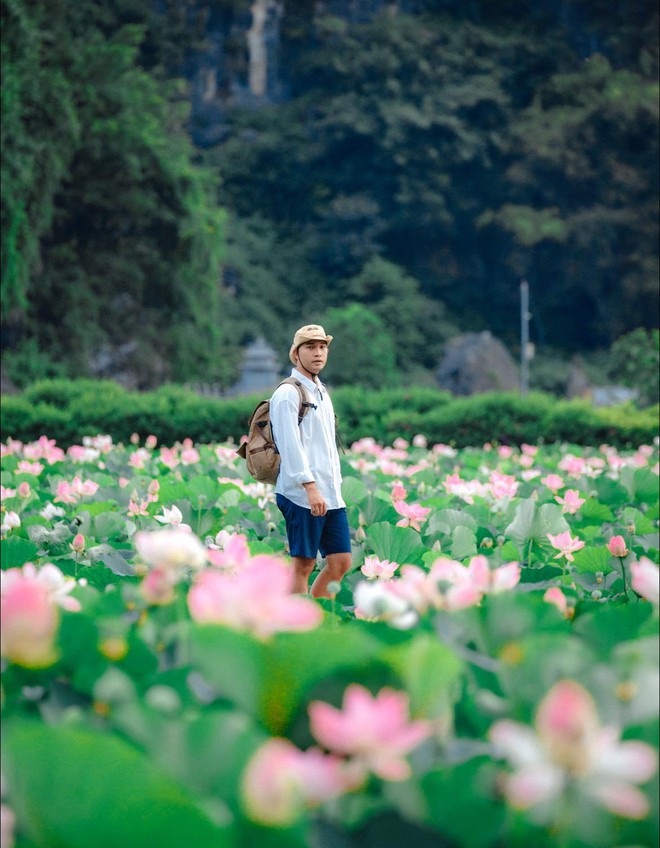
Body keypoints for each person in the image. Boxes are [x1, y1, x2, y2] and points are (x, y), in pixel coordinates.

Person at [270, 324, 352, 598]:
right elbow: (289, 446)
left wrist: (330, 489)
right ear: (296, 354)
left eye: (322, 347)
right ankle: (296, 628)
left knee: (341, 562)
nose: (318, 353)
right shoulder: (287, 394)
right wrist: (310, 486)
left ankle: (315, 617)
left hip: (330, 494)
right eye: (310, 347)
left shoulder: (321, 391)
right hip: (301, 493)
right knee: (303, 565)